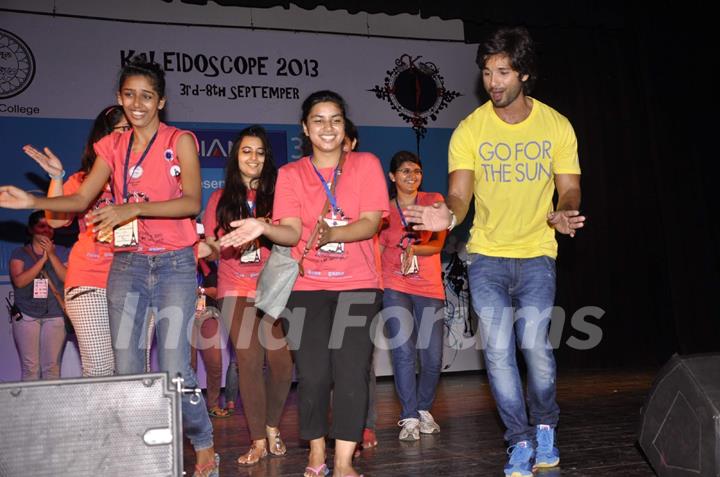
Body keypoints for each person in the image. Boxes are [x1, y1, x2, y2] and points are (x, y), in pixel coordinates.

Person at [0, 57, 218, 477]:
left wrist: (131, 208)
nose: (138, 104)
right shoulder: (112, 147)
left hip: (174, 265)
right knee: (127, 369)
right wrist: (32, 201)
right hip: (128, 268)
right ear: (120, 98)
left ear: (161, 101)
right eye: (130, 95)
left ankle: (203, 442)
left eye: (147, 96)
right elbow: (80, 202)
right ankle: (138, 452)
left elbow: (191, 201)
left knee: (175, 366)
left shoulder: (180, 141)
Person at [403, 26, 585, 477]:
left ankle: (544, 427)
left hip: (538, 254)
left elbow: (570, 188)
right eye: (487, 72)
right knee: (500, 354)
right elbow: (461, 195)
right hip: (485, 257)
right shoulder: (470, 130)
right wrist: (448, 213)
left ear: (523, 73)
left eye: (502, 71)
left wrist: (565, 212)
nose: (493, 81)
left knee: (536, 348)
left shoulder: (556, 125)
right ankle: (519, 441)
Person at [219, 90, 388, 477]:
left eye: (335, 120)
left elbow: (370, 221)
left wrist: (334, 233)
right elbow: (293, 232)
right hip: (307, 286)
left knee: (350, 371)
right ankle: (316, 454)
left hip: (359, 284)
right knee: (313, 374)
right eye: (318, 120)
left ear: (344, 126)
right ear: (305, 129)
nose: (327, 127)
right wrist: (264, 226)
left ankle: (344, 462)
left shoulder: (365, 164)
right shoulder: (291, 174)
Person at [201, 125, 293, 465]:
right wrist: (207, 248)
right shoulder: (219, 199)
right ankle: (257, 440)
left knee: (282, 366)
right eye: (246, 151)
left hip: (272, 288)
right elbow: (212, 245)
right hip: (234, 287)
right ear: (235, 157)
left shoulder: (279, 196)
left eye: (259, 152)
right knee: (250, 362)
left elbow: (291, 235)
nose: (253, 157)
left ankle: (271, 426)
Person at [23, 104, 129, 377]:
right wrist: (56, 178)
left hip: (136, 281)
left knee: (135, 369)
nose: (130, 136)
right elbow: (56, 221)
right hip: (91, 280)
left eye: (134, 130)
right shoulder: (83, 180)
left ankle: (137, 422)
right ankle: (101, 422)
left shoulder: (146, 178)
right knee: (100, 369)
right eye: (123, 130)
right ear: (103, 138)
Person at [379, 151, 446, 441]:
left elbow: (437, 243)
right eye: (405, 171)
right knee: (403, 353)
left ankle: (423, 409)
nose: (411, 176)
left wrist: (414, 249)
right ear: (393, 176)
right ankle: (408, 416)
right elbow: (378, 250)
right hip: (395, 285)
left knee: (431, 357)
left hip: (429, 287)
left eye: (416, 171)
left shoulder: (434, 201)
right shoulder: (383, 210)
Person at [8, 210, 69, 380]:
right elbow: (19, 281)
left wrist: (51, 255)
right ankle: (30, 406)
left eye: (50, 227)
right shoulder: (19, 253)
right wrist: (42, 260)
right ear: (31, 229)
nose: (46, 231)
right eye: (41, 226)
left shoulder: (63, 252)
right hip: (26, 315)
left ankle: (52, 406)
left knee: (51, 368)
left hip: (55, 314)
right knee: (31, 368)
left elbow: (66, 277)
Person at [191, 255, 229, 419]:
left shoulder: (210, 264)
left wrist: (200, 290)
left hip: (208, 313)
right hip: (183, 313)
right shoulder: (177, 262)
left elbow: (218, 290)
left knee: (215, 362)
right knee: (188, 365)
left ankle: (213, 404)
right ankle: (189, 406)